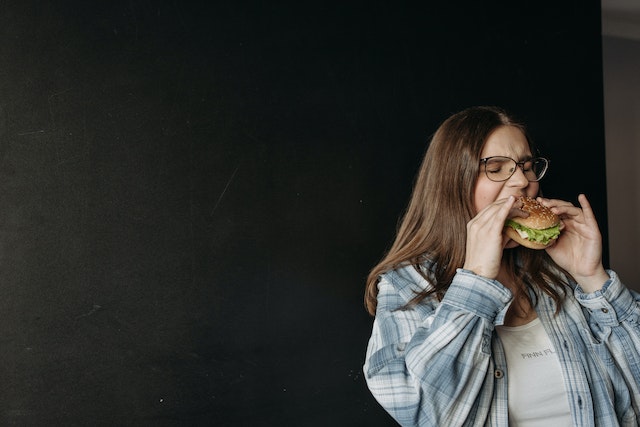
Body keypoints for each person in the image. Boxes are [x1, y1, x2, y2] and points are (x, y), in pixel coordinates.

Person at [363, 106, 640, 426]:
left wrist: (592, 278)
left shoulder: (559, 272)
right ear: (453, 183)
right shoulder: (406, 285)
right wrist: (477, 280)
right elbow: (426, 413)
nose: (522, 181)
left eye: (526, 166)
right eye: (496, 167)